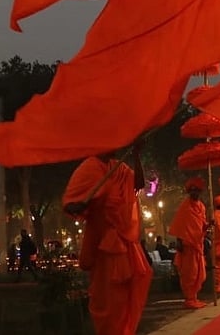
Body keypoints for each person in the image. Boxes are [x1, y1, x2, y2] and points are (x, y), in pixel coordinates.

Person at [62, 141, 152, 335]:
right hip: (102, 244)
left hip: (123, 240)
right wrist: (77, 206)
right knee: (106, 297)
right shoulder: (89, 167)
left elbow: (139, 184)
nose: (117, 144)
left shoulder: (118, 167)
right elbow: (70, 203)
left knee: (125, 292)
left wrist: (136, 155)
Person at [168, 177, 210, 309]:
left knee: (200, 274)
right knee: (189, 273)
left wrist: (209, 225)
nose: (194, 193)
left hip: (198, 245)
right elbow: (180, 225)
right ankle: (189, 298)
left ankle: (194, 297)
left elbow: (202, 225)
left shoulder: (201, 207)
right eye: (192, 191)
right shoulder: (185, 207)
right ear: (189, 192)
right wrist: (179, 241)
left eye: (196, 191)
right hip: (187, 246)